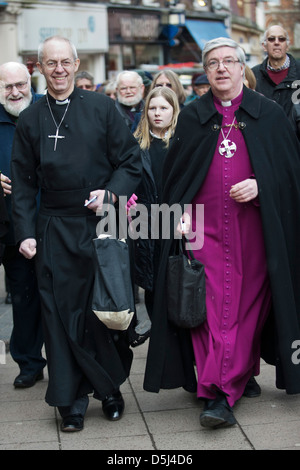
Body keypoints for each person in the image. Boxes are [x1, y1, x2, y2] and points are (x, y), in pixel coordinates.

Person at [143, 37, 300, 429]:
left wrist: (262, 185)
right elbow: (175, 177)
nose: (221, 69)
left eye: (229, 61)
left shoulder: (268, 114)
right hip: (203, 232)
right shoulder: (194, 116)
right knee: (208, 313)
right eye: (213, 63)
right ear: (206, 71)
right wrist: (174, 215)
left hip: (255, 234)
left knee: (242, 313)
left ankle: (226, 383)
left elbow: (290, 175)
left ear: (241, 66)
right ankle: (223, 389)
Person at [10, 36, 141, 432]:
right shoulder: (31, 117)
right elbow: (22, 181)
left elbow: (130, 161)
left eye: (66, 62)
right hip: (52, 227)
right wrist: (25, 232)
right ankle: (71, 402)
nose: (60, 70)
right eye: (51, 63)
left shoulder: (102, 108)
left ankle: (110, 390)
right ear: (40, 67)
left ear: (76, 63)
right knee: (58, 316)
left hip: (99, 225)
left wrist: (111, 193)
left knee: (101, 312)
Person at [0, 62, 46, 388]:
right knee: (23, 296)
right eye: (7, 87)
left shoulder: (49, 109)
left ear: (31, 82)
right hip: (9, 227)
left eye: (20, 84)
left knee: (60, 297)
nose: (15, 92)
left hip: (52, 221)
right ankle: (29, 363)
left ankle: (67, 360)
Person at [129, 87, 180, 342]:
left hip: (177, 220)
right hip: (145, 221)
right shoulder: (136, 144)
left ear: (174, 111)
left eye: (163, 108)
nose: (157, 113)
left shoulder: (183, 142)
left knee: (177, 281)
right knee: (150, 282)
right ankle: (161, 339)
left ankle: (179, 343)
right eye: (152, 108)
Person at [252, 25, 300, 138]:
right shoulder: (253, 75)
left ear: (287, 46)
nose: (277, 42)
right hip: (265, 143)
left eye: (281, 39)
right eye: (271, 39)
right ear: (264, 46)